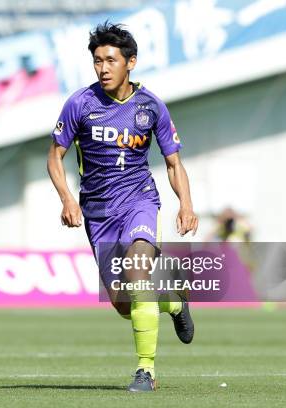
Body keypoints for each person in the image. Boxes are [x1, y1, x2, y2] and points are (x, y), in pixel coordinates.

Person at [47, 22, 198, 392]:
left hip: (139, 202)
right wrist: (67, 198)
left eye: (110, 60)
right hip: (98, 214)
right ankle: (175, 303)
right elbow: (54, 156)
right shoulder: (80, 103)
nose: (102, 68)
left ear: (130, 62)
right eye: (97, 61)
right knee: (123, 304)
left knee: (137, 271)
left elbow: (174, 162)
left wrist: (186, 205)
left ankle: (145, 371)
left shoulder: (151, 107)